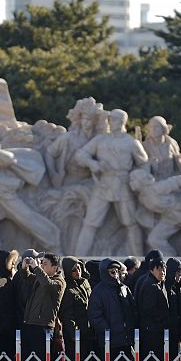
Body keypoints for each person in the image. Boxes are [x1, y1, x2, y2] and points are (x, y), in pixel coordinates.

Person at [74, 109, 149, 256]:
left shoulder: (131, 143)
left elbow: (144, 163)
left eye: (114, 119)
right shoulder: (101, 140)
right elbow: (80, 154)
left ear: (122, 121)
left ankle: (140, 260)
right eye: (110, 119)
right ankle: (76, 259)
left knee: (131, 223)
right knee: (90, 223)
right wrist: (92, 164)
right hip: (103, 184)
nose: (110, 122)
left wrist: (137, 179)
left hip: (123, 185)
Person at [87, 259, 136, 361]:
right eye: (111, 272)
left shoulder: (124, 288)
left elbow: (132, 310)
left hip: (124, 337)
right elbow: (94, 315)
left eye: (116, 271)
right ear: (105, 273)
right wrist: (107, 329)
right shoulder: (99, 291)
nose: (115, 274)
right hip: (108, 338)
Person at [21, 253, 66, 361]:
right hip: (29, 324)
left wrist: (36, 268)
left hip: (44, 326)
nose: (42, 265)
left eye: (45, 263)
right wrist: (25, 270)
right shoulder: (39, 278)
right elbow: (27, 282)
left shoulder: (59, 282)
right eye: (41, 263)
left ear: (55, 267)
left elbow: (47, 285)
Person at [59, 256, 95, 361]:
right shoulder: (66, 287)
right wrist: (73, 333)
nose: (77, 271)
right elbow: (67, 314)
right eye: (74, 269)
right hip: (75, 334)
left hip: (88, 331)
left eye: (79, 268)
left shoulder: (85, 283)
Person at [136, 256, 170, 361]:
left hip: (156, 330)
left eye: (164, 269)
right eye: (159, 268)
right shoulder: (150, 285)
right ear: (152, 269)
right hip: (151, 331)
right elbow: (149, 310)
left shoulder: (157, 283)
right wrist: (163, 321)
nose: (163, 271)